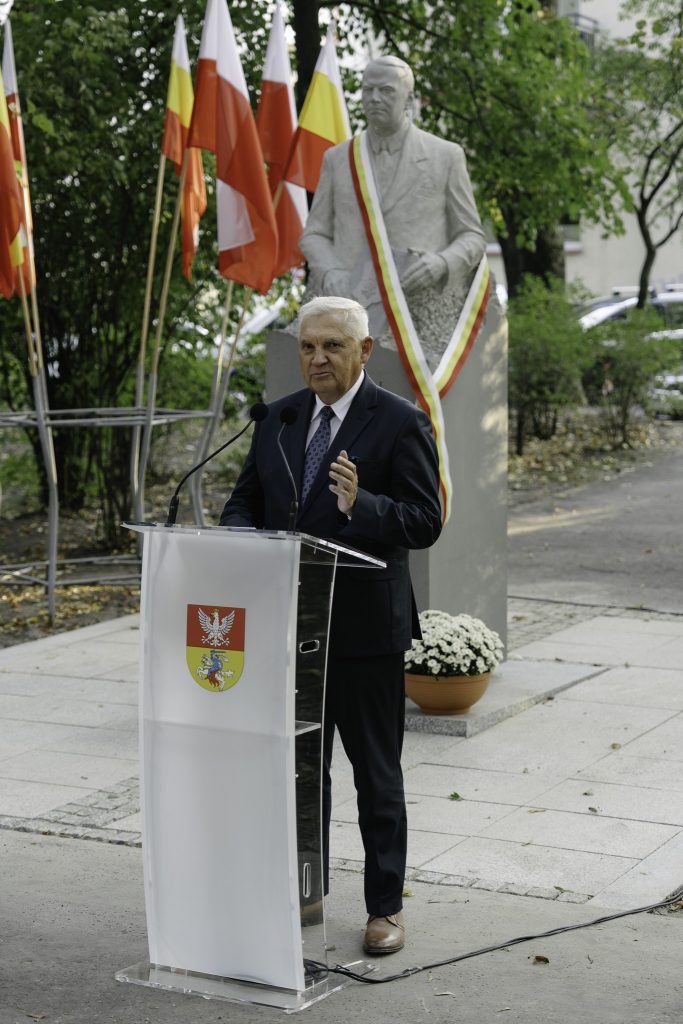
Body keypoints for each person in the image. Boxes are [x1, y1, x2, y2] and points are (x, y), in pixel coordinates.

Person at [220, 295, 442, 955]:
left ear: (364, 350)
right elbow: (244, 501)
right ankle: (303, 893)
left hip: (365, 632)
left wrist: (362, 503)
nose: (317, 359)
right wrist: (240, 539)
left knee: (376, 777)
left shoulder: (399, 421)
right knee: (300, 773)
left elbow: (425, 521)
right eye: (308, 347)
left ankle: (384, 909)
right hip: (291, 628)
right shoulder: (280, 417)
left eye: (332, 346)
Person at [299, 55, 487, 370]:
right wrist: (330, 272)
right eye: (367, 90)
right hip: (350, 302)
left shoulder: (445, 156)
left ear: (409, 99)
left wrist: (442, 263)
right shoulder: (337, 158)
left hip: (415, 308)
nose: (374, 98)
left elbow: (472, 236)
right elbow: (314, 234)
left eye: (386, 90)